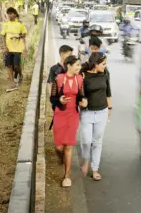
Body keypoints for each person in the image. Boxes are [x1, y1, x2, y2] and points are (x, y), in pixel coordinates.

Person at [52, 56, 86, 188]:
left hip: (73, 115)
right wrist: (59, 100)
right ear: (69, 66)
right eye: (77, 65)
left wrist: (83, 101)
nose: (79, 67)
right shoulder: (59, 78)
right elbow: (52, 98)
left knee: (69, 146)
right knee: (59, 147)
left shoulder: (80, 79)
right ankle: (62, 157)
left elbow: (81, 95)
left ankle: (67, 176)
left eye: (80, 65)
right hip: (60, 115)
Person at [79, 52, 111, 181]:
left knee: (97, 141)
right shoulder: (83, 75)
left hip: (102, 111)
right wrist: (81, 101)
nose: (105, 66)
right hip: (87, 112)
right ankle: (85, 161)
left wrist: (109, 108)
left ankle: (95, 169)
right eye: (103, 64)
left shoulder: (105, 73)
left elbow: (108, 92)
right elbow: (79, 94)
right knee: (86, 141)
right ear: (95, 64)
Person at [1, 7, 27, 92]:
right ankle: (12, 83)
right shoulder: (5, 24)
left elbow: (24, 35)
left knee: (16, 66)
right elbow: (3, 36)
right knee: (8, 65)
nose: (9, 15)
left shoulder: (20, 24)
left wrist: (19, 36)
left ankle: (20, 74)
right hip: (8, 48)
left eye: (11, 13)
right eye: (8, 14)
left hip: (17, 48)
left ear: (15, 14)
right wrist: (5, 47)